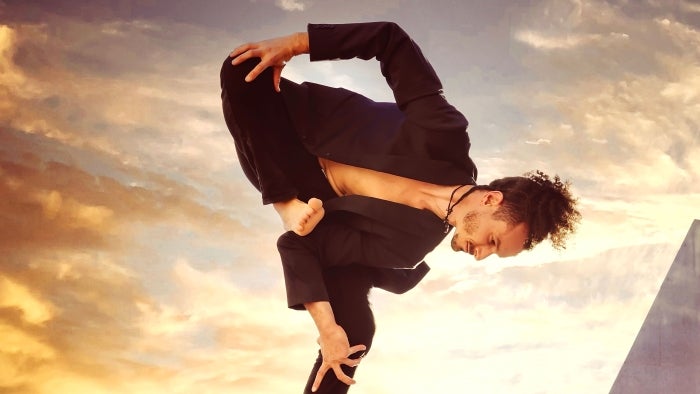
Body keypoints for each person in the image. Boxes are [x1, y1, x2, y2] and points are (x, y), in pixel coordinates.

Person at [221, 22, 580, 393]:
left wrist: (328, 331)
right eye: (492, 240)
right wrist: (294, 45)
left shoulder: (409, 245)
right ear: (491, 199)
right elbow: (389, 39)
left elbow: (300, 245)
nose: (480, 255)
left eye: (492, 254)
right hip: (284, 123)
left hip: (290, 180)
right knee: (240, 68)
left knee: (356, 331)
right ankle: (282, 202)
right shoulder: (443, 135)